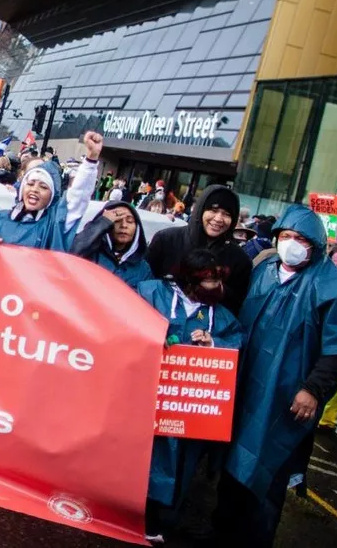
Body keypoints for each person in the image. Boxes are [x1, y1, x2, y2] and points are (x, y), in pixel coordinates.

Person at [214, 205, 337, 547]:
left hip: (286, 398)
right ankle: (220, 533)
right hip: (245, 386)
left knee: (269, 474)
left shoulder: (331, 286)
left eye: (299, 239)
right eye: (285, 236)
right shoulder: (264, 269)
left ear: (314, 245)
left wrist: (312, 389)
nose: (290, 244)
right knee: (232, 464)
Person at [138, 250, 243, 542]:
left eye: (218, 279)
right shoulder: (152, 292)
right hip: (150, 399)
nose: (215, 287)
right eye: (208, 280)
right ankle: (131, 514)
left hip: (188, 411)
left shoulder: (220, 315)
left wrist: (214, 342)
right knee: (141, 458)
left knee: (181, 467)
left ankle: (163, 523)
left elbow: (236, 341)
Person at [147, 184, 253, 313]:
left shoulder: (240, 259)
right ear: (200, 210)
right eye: (213, 210)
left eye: (226, 214)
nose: (218, 219)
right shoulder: (166, 239)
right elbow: (145, 284)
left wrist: (218, 290)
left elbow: (236, 306)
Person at [0, 132, 102, 251]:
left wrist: (91, 160)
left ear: (51, 196)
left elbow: (78, 196)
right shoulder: (0, 217)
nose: (35, 189)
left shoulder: (55, 223)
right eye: (30, 184)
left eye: (43, 187)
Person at [70, 200, 154, 289]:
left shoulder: (143, 269)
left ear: (137, 229)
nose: (124, 225)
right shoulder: (91, 253)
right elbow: (71, 254)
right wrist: (102, 222)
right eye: (117, 220)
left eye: (129, 221)